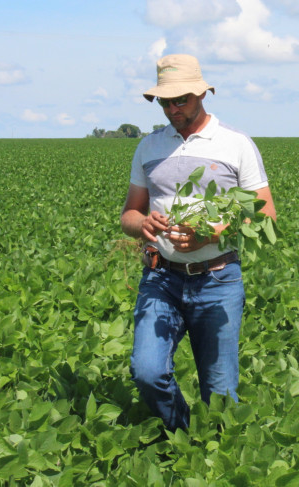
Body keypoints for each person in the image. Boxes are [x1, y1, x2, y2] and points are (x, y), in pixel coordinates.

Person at [120, 54, 276, 431]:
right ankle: (184, 435)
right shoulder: (149, 147)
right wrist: (143, 223)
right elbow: (128, 215)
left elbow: (266, 213)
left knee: (220, 393)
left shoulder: (235, 144)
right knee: (147, 372)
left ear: (202, 94)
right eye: (165, 101)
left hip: (218, 280)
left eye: (181, 100)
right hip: (161, 278)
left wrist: (215, 232)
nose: (172, 109)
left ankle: (216, 456)